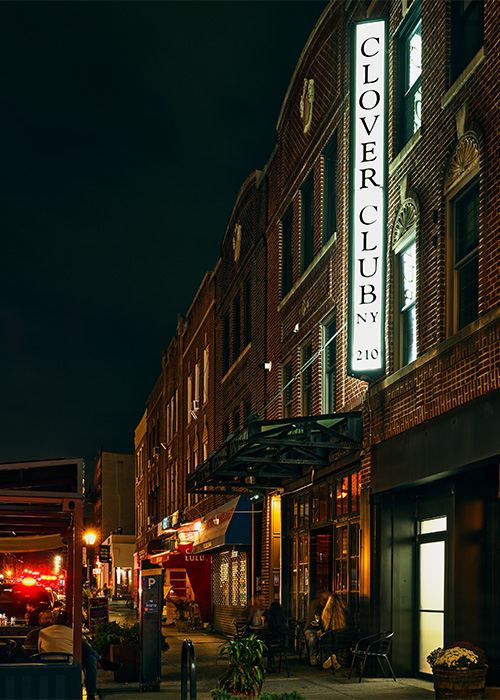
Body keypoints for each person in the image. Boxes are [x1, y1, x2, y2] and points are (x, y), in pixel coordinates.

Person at [38, 610, 121, 700]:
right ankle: (92, 691)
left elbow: (39, 650)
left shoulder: (42, 632)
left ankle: (101, 661)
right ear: (68, 622)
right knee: (90, 656)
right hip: (69, 667)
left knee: (91, 656)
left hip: (46, 666)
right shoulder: (72, 633)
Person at [319, 593, 349, 670]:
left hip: (328, 641)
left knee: (319, 637)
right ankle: (334, 660)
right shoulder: (344, 613)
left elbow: (322, 627)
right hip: (343, 641)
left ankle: (330, 658)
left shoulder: (325, 613)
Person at [304, 589, 330, 666]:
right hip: (311, 629)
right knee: (313, 639)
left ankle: (325, 658)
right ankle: (312, 657)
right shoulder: (315, 604)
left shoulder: (327, 607)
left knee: (326, 638)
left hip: (322, 629)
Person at [262, 601, 289, 672]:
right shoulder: (284, 623)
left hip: (269, 646)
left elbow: (264, 633)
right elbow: (287, 632)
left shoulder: (269, 624)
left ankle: (263, 665)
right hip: (282, 645)